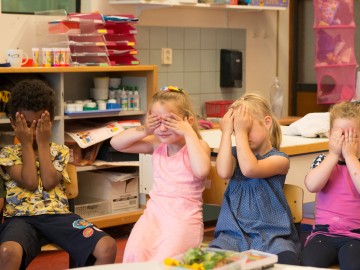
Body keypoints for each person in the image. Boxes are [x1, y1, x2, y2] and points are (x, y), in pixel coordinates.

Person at [0, 79, 117, 270]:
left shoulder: (59, 151)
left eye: (39, 125)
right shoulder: (7, 154)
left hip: (58, 217)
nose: (33, 131)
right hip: (20, 220)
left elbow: (48, 182)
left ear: (49, 122)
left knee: (107, 246)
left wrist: (44, 143)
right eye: (27, 125)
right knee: (7, 251)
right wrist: (27, 143)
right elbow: (30, 182)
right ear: (14, 122)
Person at [110, 86, 211, 262]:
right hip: (154, 215)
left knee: (166, 260)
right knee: (135, 253)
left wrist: (188, 132)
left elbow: (202, 170)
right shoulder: (158, 144)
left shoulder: (198, 146)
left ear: (188, 120)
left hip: (183, 220)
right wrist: (146, 129)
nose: (163, 128)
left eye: (170, 121)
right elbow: (116, 143)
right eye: (157, 122)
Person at [210, 93, 300, 265]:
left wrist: (241, 133)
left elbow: (250, 168)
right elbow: (223, 171)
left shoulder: (280, 160)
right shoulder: (235, 156)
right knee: (212, 260)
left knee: (287, 260)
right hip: (232, 234)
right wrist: (226, 133)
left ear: (267, 123)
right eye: (238, 130)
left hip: (271, 235)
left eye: (248, 128)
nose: (243, 134)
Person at [300, 101, 360, 270]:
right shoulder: (323, 161)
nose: (344, 142)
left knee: (354, 265)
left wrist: (350, 157)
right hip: (324, 233)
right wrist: (333, 154)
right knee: (309, 263)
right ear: (329, 134)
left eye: (351, 136)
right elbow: (312, 185)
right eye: (339, 135)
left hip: (356, 236)